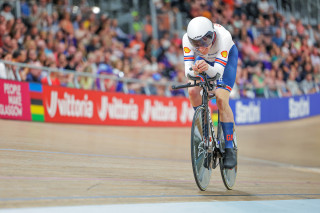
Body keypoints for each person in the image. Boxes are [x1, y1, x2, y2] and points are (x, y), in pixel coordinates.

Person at [183, 16, 238, 169]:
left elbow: (217, 73)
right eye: (196, 44)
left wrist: (205, 68)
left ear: (212, 35)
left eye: (205, 41)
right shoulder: (186, 40)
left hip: (225, 63)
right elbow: (188, 72)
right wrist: (195, 70)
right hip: (204, 63)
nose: (201, 47)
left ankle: (229, 146)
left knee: (221, 99)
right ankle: (205, 133)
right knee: (193, 91)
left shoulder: (224, 37)